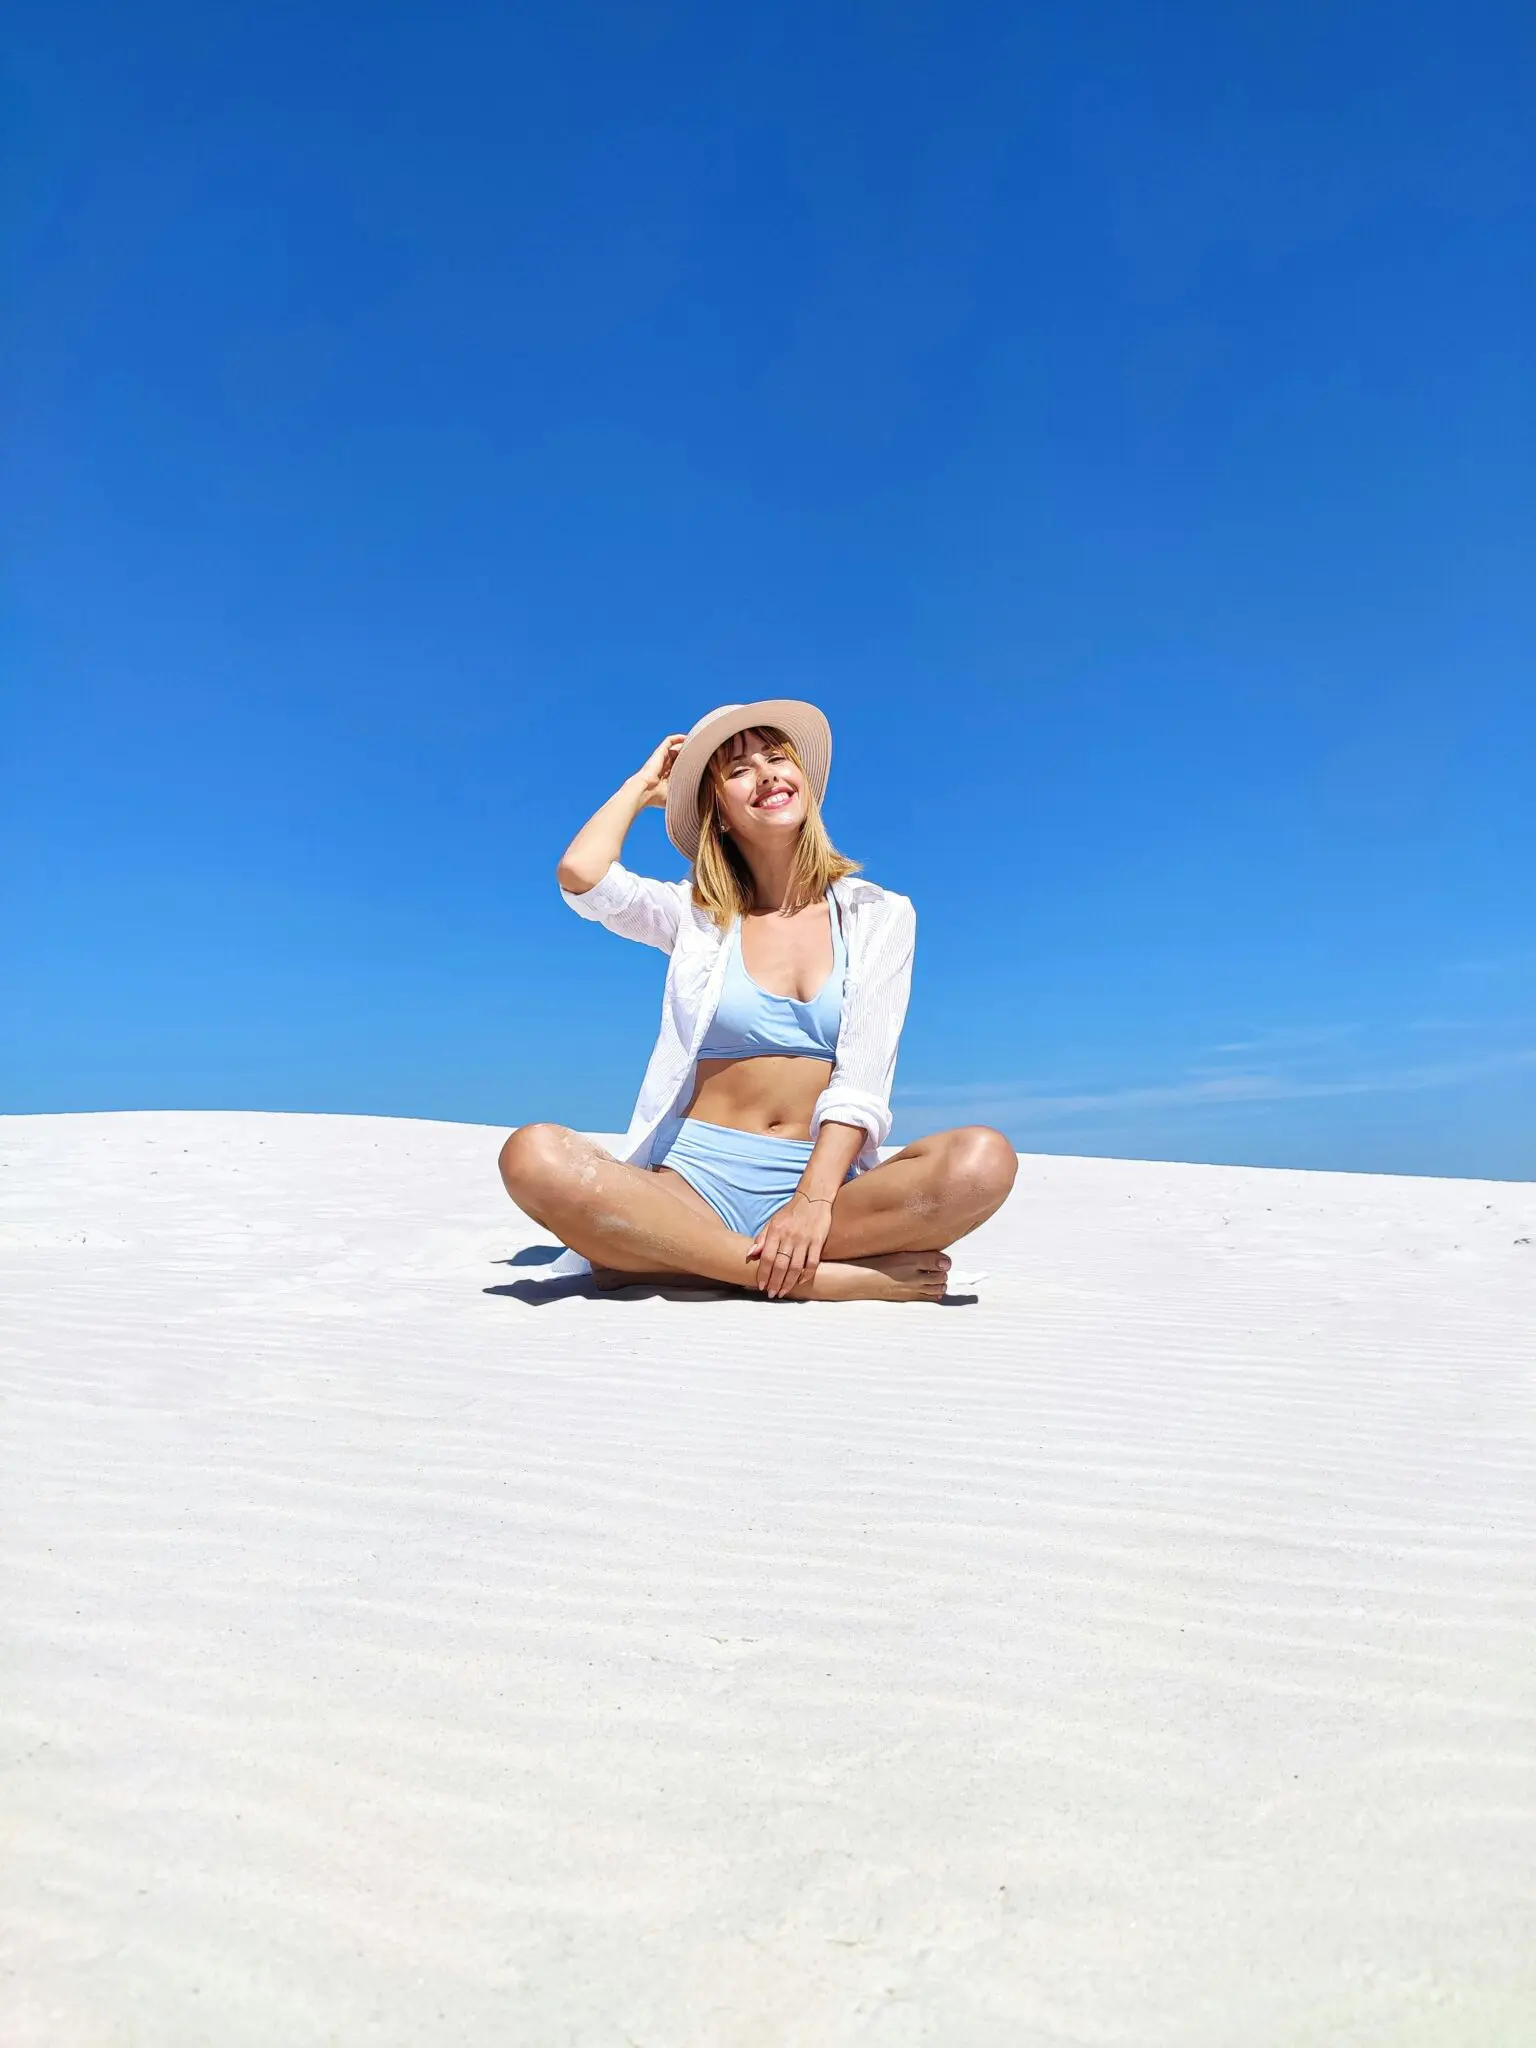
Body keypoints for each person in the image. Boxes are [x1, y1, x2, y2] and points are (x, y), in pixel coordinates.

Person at [500, 700, 1017, 1302]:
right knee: (532, 1154)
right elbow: (582, 876)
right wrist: (642, 786)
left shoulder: (878, 913)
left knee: (983, 1159)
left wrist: (812, 1201)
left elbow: (863, 1075)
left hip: (825, 1187)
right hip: (694, 1181)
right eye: (739, 770)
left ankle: (673, 1258)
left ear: (805, 783)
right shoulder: (696, 915)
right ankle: (806, 1277)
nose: (767, 774)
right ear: (717, 812)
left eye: (777, 758)